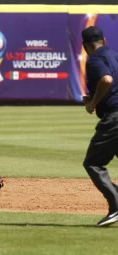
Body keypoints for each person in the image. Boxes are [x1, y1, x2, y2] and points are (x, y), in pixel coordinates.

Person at [82, 26, 118, 227]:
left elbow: (107, 79)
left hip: (114, 119)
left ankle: (116, 206)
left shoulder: (95, 59)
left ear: (85, 46)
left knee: (93, 164)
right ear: (104, 40)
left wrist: (93, 104)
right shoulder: (114, 56)